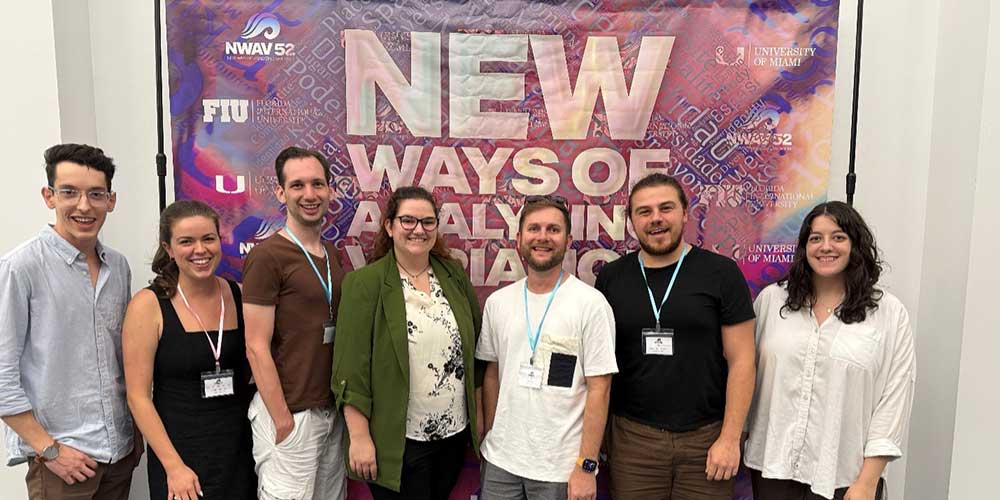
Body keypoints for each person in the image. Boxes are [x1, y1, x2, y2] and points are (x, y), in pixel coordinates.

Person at [595, 173, 756, 500]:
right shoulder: (612, 278)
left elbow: (743, 362)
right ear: (631, 221)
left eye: (665, 208)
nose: (656, 218)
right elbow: (599, 366)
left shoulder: (722, 274)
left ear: (685, 213)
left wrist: (729, 439)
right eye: (644, 211)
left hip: (706, 440)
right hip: (633, 442)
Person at [744, 201, 916, 500]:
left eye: (838, 237)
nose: (826, 247)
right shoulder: (772, 302)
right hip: (772, 468)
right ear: (803, 247)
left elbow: (894, 400)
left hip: (844, 478)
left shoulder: (887, 313)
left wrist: (866, 482)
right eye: (815, 238)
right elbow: (747, 377)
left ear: (856, 245)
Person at [0, 144, 140, 500]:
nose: (83, 205)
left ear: (111, 201)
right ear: (49, 197)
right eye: (69, 192)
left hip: (119, 453)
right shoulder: (21, 267)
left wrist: (133, 439)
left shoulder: (118, 267)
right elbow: (2, 375)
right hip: (61, 462)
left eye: (96, 194)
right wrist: (49, 450)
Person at [333, 186, 482, 499]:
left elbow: (476, 348)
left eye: (428, 222)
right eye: (408, 221)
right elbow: (350, 367)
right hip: (398, 441)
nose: (419, 230)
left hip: (452, 438)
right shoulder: (364, 284)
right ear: (389, 226)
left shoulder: (453, 276)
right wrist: (359, 437)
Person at [477, 195, 618, 500]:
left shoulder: (591, 305)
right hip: (501, 464)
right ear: (519, 239)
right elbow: (492, 373)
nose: (542, 237)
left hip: (562, 469)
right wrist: (491, 434)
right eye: (534, 228)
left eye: (553, 230)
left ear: (567, 240)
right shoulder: (498, 303)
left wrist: (586, 466)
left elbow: (600, 389)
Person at [123, 200, 256, 500]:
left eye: (208, 238)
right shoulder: (148, 306)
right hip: (181, 456)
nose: (200, 250)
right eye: (186, 241)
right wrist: (174, 467)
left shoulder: (238, 294)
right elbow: (138, 396)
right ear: (168, 248)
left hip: (237, 451)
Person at [243, 146, 347, 500]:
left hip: (329, 412)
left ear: (330, 191)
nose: (309, 194)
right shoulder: (267, 256)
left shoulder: (331, 254)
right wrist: (282, 418)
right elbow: (256, 346)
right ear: (280, 192)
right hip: (291, 415)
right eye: (298, 185)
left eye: (318, 184)